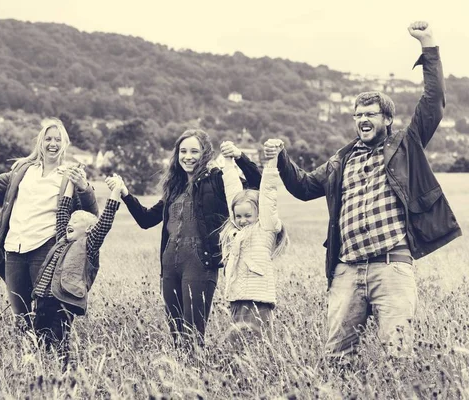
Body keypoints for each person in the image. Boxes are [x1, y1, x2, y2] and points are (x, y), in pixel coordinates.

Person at [265, 22, 461, 360]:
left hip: (392, 266)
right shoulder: (341, 160)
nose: (362, 119)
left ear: (387, 119)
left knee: (396, 355)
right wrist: (282, 157)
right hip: (348, 269)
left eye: (370, 114)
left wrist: (428, 46)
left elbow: (433, 102)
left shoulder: (405, 145)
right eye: (357, 115)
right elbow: (303, 187)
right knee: (336, 356)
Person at [108, 129, 262, 350]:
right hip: (170, 263)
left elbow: (256, 184)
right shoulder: (174, 188)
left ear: (205, 153)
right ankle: (180, 376)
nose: (188, 156)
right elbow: (145, 219)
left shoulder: (217, 179)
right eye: (183, 151)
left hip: (200, 263)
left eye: (194, 151)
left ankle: (197, 374)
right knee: (176, 332)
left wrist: (240, 157)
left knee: (193, 331)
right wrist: (124, 193)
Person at [0, 118, 98, 326]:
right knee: (21, 318)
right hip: (14, 249)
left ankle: (50, 355)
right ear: (40, 142)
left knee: (47, 314)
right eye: (48, 139)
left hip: (45, 249)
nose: (53, 143)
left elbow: (91, 213)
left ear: (65, 144)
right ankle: (26, 355)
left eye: (58, 140)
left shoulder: (69, 176)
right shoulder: (22, 170)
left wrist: (84, 187)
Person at [30, 174, 124, 350]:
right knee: (39, 341)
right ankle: (42, 367)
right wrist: (71, 184)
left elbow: (105, 221)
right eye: (70, 221)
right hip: (43, 298)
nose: (69, 223)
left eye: (75, 222)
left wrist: (116, 191)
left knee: (59, 341)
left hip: (63, 301)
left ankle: (62, 370)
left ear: (88, 229)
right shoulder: (62, 239)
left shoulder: (89, 244)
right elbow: (62, 211)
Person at [219, 140, 289, 339]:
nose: (242, 221)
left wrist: (272, 161)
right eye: (238, 216)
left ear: (258, 213)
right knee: (237, 351)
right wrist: (227, 160)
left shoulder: (265, 226)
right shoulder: (235, 229)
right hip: (236, 298)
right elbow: (232, 191)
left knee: (260, 347)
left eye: (247, 216)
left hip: (258, 299)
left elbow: (268, 193)